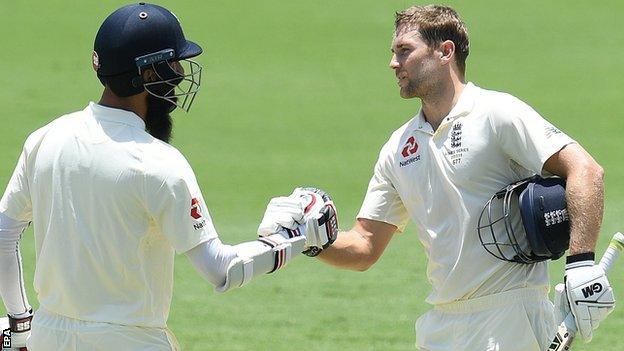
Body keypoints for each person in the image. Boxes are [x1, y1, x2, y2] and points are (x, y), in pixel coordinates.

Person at [0, 3, 333, 350]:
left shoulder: (44, 139)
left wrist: (22, 323)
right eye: (172, 64)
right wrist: (297, 238)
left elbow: (4, 236)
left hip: (49, 337)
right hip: (131, 340)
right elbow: (221, 269)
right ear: (145, 74)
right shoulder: (158, 163)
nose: (179, 74)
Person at [298, 5, 613, 351]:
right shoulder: (398, 147)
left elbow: (585, 171)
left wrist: (581, 265)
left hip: (511, 317)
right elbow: (364, 247)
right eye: (393, 52)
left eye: (405, 50)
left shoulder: (496, 113)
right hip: (441, 326)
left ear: (445, 51)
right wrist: (311, 240)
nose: (393, 63)